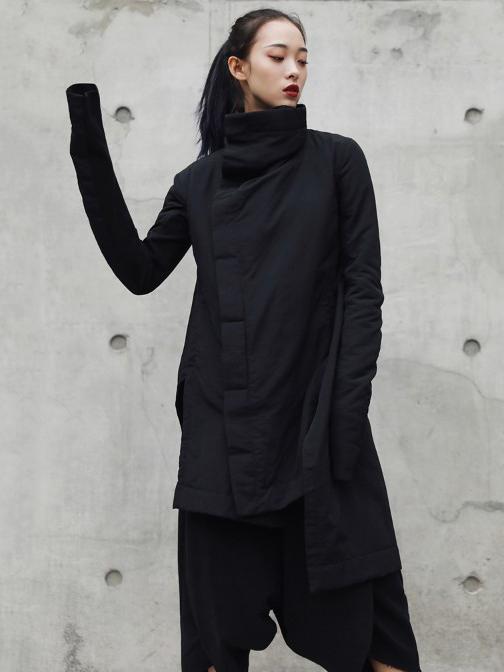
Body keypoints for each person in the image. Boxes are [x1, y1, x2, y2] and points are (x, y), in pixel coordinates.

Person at [65, 7, 422, 672]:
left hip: (319, 437)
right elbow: (141, 270)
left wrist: (344, 418)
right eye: (278, 56)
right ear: (239, 67)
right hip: (223, 443)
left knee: (381, 643)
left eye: (302, 58)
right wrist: (88, 144)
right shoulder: (199, 183)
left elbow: (362, 291)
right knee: (212, 648)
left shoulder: (338, 161)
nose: (294, 70)